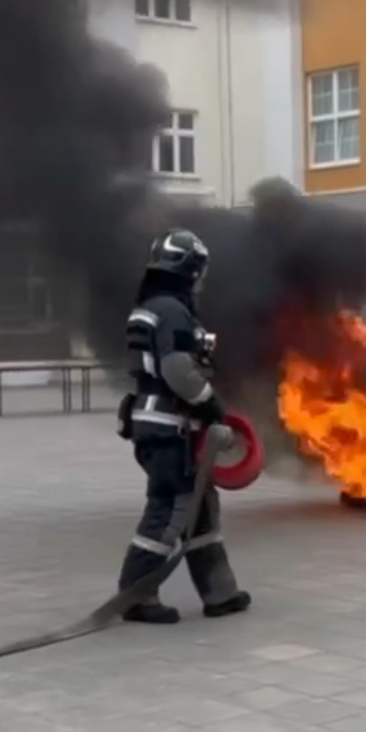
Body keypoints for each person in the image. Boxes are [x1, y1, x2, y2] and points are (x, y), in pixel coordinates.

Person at [114, 228, 251, 624]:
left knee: (201, 508)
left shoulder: (152, 306)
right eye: (199, 271)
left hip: (163, 423)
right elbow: (177, 369)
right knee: (170, 509)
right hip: (168, 425)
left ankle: (219, 592)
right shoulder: (172, 311)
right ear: (187, 270)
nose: (201, 279)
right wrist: (211, 405)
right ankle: (135, 596)